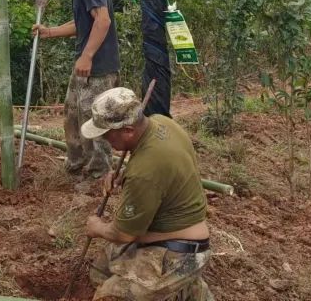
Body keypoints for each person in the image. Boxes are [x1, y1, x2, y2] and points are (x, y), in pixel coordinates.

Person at [81, 87, 213, 301]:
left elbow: (124, 234)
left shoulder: (145, 171)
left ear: (128, 130)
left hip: (181, 250)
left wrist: (97, 228)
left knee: (109, 296)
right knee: (100, 271)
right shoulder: (161, 122)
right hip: (164, 233)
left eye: (107, 134)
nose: (105, 139)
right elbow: (161, 172)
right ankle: (172, 288)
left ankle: (186, 291)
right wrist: (125, 176)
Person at [33, 0, 120, 183]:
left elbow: (102, 21)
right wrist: (49, 32)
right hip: (86, 65)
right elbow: (83, 23)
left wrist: (88, 56)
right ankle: (76, 166)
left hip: (98, 67)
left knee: (95, 122)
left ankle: (97, 177)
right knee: (73, 116)